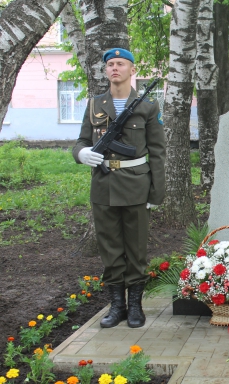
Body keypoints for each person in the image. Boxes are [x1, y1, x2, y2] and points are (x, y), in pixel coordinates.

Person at [73, 48, 166, 329]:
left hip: (136, 185)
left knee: (136, 249)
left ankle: (136, 306)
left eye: (120, 64)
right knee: (110, 249)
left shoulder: (147, 106)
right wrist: (82, 154)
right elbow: (80, 141)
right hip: (103, 187)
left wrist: (156, 194)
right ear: (105, 71)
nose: (115, 68)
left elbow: (157, 151)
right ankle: (117, 306)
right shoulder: (95, 104)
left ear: (132, 69)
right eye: (110, 64)